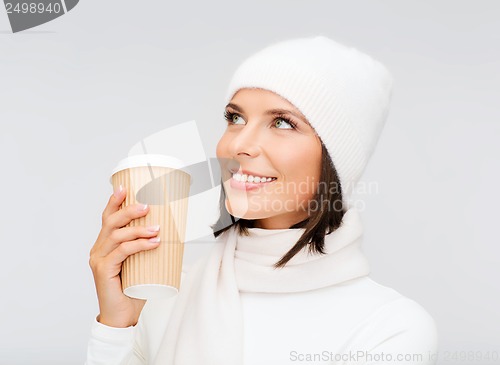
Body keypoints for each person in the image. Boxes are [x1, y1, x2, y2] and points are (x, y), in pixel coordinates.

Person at [86, 36, 439, 365]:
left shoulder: (390, 327)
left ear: (336, 161)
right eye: (236, 118)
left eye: (283, 123)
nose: (239, 145)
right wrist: (117, 327)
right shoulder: (161, 296)